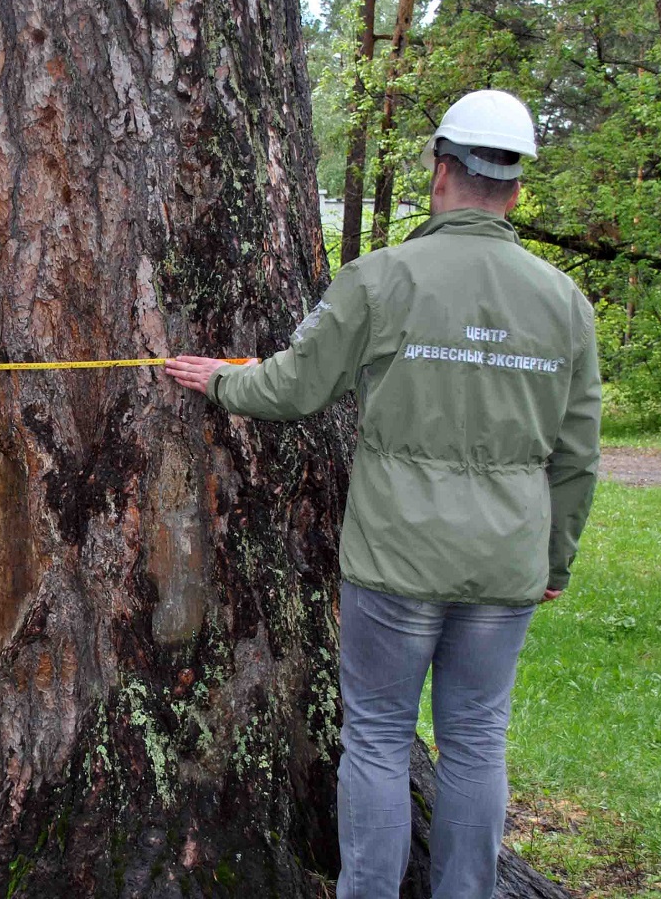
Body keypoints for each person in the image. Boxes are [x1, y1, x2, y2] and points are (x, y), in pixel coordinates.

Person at [166, 90, 602, 899]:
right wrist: (557, 558)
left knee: (375, 737)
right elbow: (577, 455)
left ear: (441, 172)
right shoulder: (564, 303)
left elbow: (295, 386)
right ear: (513, 188)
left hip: (396, 556)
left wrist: (221, 382)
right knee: (475, 740)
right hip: (507, 561)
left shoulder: (383, 278)